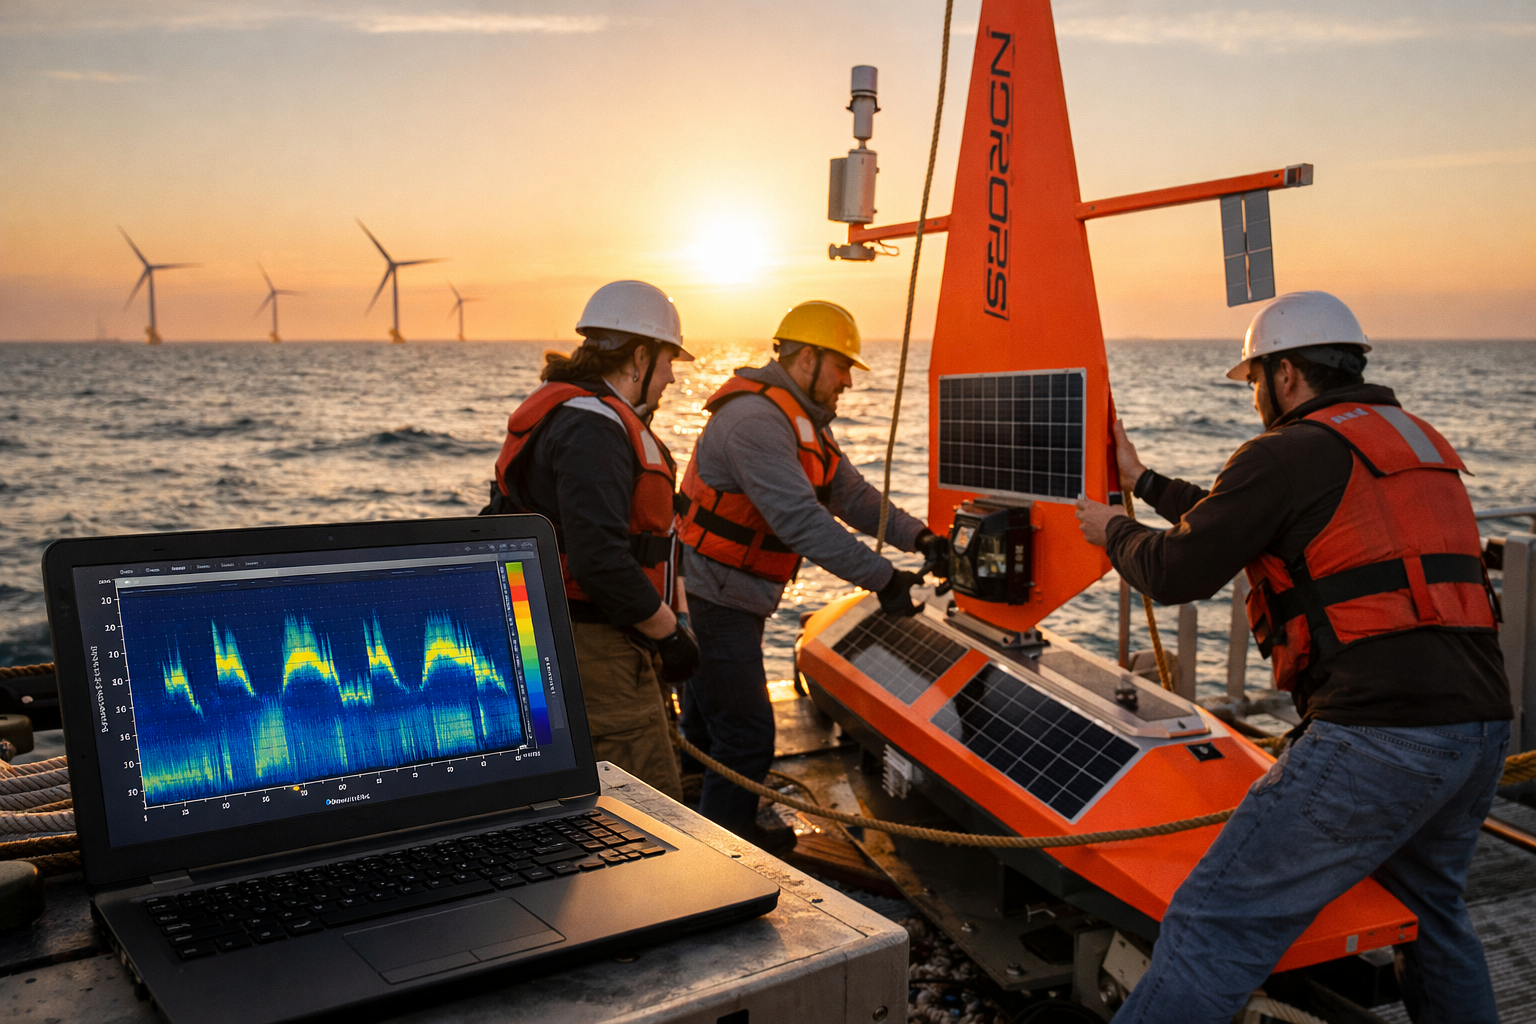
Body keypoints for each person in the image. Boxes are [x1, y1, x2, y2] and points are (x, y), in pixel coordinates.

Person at [1073, 291, 1510, 1023]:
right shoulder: (1414, 441)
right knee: (1431, 913)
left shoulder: (1285, 451)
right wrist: (1142, 481)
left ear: (1285, 375)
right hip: (1480, 727)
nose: (1251, 399)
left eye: (1251, 381)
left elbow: (1177, 571)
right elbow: (1242, 521)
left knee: (1214, 923)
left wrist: (1112, 529)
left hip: (1380, 735)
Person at [675, 300, 948, 849]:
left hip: (729, 594)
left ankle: (693, 827)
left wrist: (920, 538)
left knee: (709, 729)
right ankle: (728, 851)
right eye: (843, 365)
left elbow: (851, 495)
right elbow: (801, 521)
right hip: (710, 599)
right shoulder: (756, 422)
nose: (848, 380)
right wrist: (884, 579)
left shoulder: (799, 422)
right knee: (746, 736)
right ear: (806, 360)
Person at [483, 280, 700, 801]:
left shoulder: (578, 417)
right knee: (645, 804)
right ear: (640, 356)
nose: (672, 376)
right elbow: (598, 560)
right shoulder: (592, 429)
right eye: (669, 359)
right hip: (594, 646)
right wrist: (671, 633)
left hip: (581, 632)